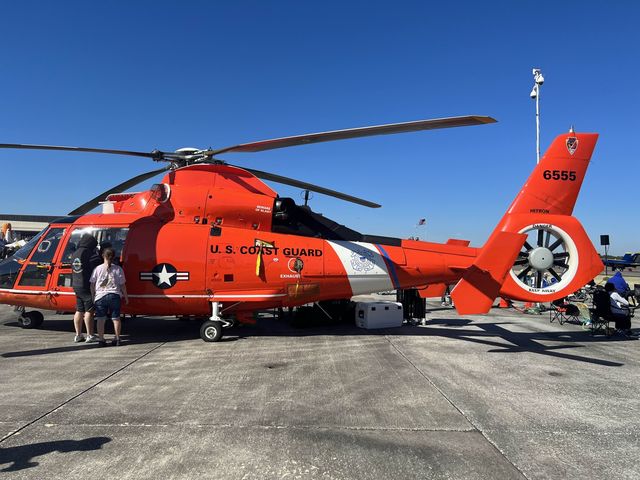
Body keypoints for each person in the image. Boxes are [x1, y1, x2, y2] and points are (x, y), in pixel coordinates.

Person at [90, 247, 128, 346]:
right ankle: (117, 338)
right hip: (115, 295)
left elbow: (92, 284)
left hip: (100, 296)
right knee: (116, 318)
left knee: (100, 319)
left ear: (103, 256)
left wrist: (93, 296)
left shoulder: (97, 269)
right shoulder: (118, 269)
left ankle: (101, 340)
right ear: (114, 256)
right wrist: (126, 297)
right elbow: (122, 285)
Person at [71, 233, 102, 343]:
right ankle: (90, 335)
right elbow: (97, 265)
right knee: (90, 310)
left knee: (79, 310)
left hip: (76, 284)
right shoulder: (89, 253)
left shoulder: (75, 253)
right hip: (86, 285)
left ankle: (78, 335)